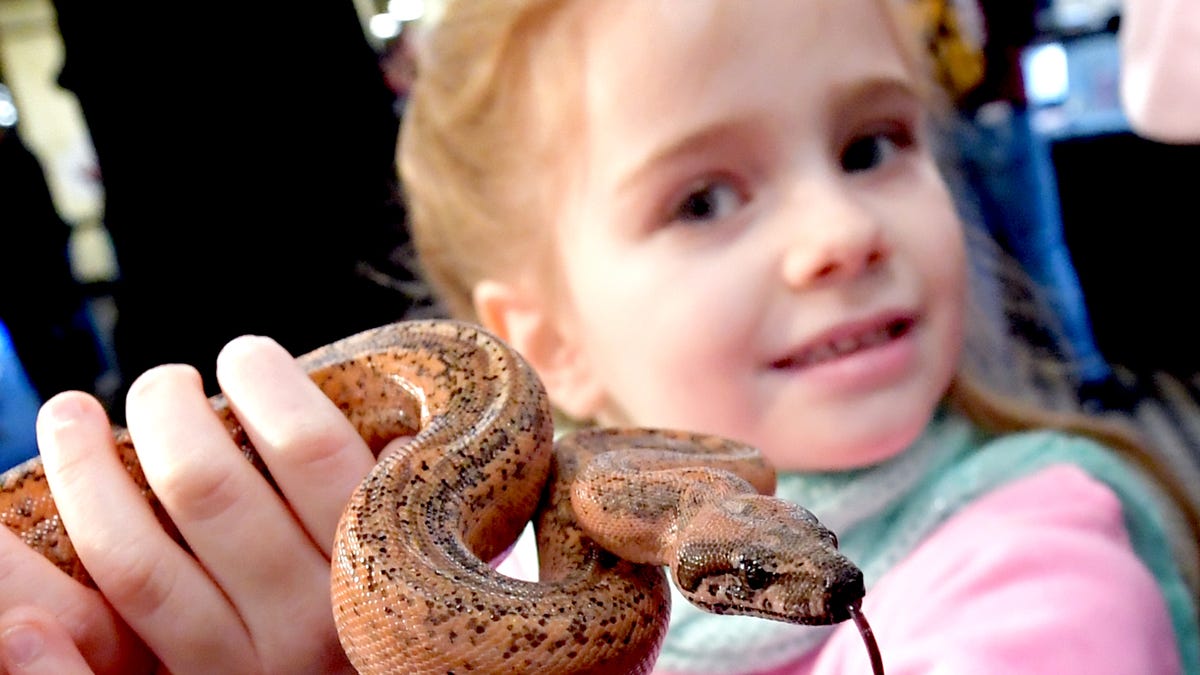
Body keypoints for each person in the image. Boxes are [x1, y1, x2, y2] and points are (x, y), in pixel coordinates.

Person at [0, 2, 1197, 674]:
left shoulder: (1045, 556)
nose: (836, 233)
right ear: (543, 344)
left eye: (873, 145)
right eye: (704, 199)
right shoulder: (545, 534)